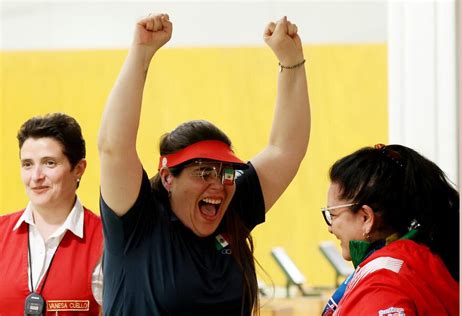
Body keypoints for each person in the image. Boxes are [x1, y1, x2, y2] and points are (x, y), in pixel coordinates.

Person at [97, 13, 310, 315]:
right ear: (168, 177)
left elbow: (285, 149)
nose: (219, 184)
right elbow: (113, 147)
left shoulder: (232, 212)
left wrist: (292, 62)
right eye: (203, 172)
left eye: (226, 172)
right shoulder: (137, 223)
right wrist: (141, 54)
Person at [321, 144, 459, 315]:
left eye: (333, 214)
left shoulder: (382, 285)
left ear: (366, 218)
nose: (330, 227)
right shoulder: (425, 261)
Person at [0, 113, 103, 315]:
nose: (36, 177)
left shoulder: (106, 240)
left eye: (49, 163)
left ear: (79, 169)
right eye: (27, 164)